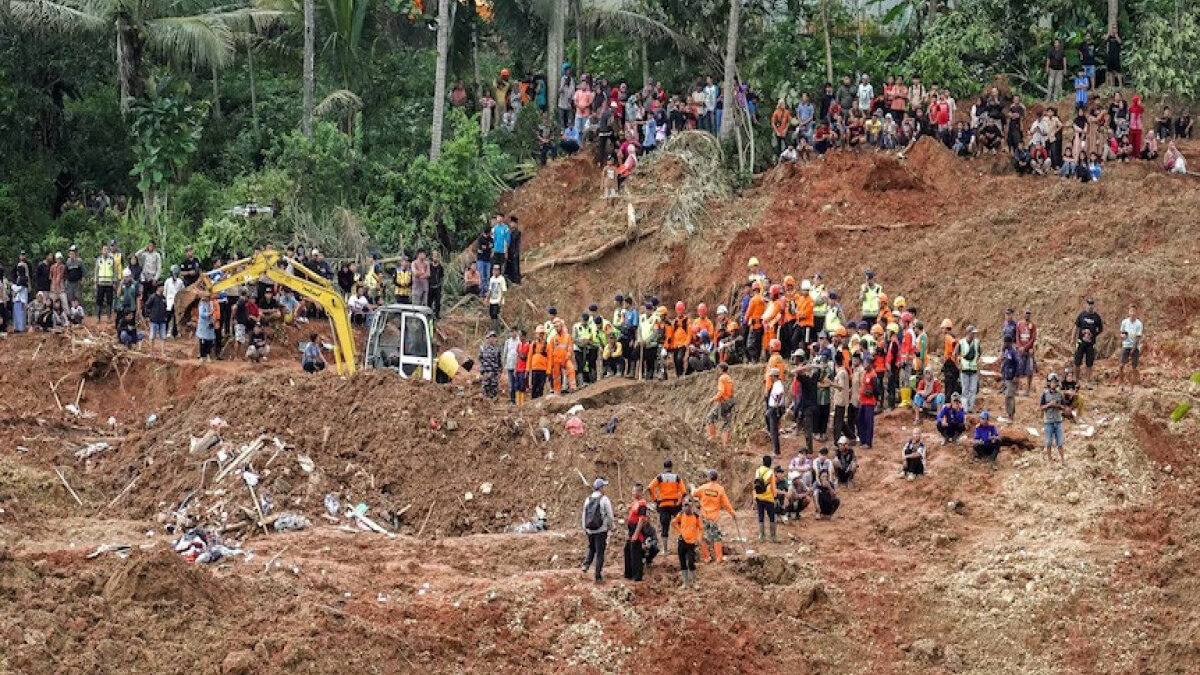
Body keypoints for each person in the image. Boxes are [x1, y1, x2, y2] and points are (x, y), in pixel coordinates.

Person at [693, 469, 736, 563]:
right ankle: (718, 558)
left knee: (703, 537)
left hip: (704, 516)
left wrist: (692, 488)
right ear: (717, 478)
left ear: (709, 477)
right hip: (714, 518)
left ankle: (706, 558)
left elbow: (694, 494)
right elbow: (726, 504)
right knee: (716, 537)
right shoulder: (720, 489)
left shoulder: (704, 488)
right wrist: (732, 513)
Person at [647, 459, 687, 552]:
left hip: (663, 505)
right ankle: (684, 546)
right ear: (671, 467)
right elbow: (684, 492)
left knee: (664, 527)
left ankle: (665, 550)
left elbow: (650, 488)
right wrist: (680, 502)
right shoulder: (676, 477)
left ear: (664, 467)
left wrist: (655, 500)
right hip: (675, 505)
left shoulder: (660, 477)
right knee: (680, 525)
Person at [581, 478, 614, 583]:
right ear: (600, 488)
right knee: (600, 552)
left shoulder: (588, 499)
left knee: (591, 547)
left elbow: (584, 515)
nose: (605, 488)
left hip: (590, 529)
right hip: (601, 529)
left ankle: (586, 564)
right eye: (604, 486)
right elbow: (610, 515)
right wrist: (611, 526)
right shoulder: (604, 499)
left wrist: (585, 528)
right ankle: (597, 575)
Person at [671, 498, 703, 589]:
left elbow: (701, 528)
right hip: (682, 541)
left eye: (688, 505)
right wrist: (680, 531)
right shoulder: (681, 514)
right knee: (682, 562)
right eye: (684, 505)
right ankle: (685, 583)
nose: (686, 508)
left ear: (691, 506)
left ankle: (695, 582)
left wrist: (698, 539)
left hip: (691, 542)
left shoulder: (696, 516)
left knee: (691, 562)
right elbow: (673, 523)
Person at [623, 484, 650, 582]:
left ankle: (637, 576)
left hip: (637, 532)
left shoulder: (642, 504)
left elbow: (642, 519)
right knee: (627, 550)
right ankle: (628, 573)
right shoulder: (635, 502)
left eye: (634, 491)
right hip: (631, 530)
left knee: (636, 553)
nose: (633, 493)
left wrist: (636, 534)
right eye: (633, 491)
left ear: (639, 492)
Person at [1073, 297, 1103, 388]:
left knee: (1089, 363)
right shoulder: (1082, 315)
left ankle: (1087, 382)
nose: (1090, 306)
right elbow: (1076, 327)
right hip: (1081, 342)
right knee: (1077, 362)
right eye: (1089, 304)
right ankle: (1077, 381)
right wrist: (1072, 338)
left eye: (1092, 304)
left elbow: (1101, 329)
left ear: (1094, 305)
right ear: (1086, 305)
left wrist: (1094, 335)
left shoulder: (1097, 317)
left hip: (1091, 344)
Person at [705, 363, 735, 446]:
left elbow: (721, 391)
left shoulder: (721, 378)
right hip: (731, 400)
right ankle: (725, 444)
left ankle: (712, 437)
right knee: (727, 422)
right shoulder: (729, 378)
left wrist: (713, 399)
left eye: (718, 368)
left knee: (710, 417)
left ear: (721, 369)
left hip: (724, 401)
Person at [1041, 373, 1067, 464]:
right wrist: (1049, 405)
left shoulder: (1060, 394)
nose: (1053, 384)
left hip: (1058, 420)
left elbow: (1064, 407)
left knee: (1060, 442)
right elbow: (1041, 407)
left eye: (1055, 382)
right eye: (1052, 382)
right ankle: (1050, 460)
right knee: (1048, 442)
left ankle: (1063, 459)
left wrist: (1057, 405)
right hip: (1048, 421)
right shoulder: (1044, 394)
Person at [1117, 304, 1143, 389]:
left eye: (1134, 311)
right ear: (1128, 312)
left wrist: (1133, 348)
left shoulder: (1139, 324)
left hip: (1135, 346)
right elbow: (1122, 333)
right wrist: (1122, 336)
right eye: (1130, 311)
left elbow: (1138, 337)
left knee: (1133, 367)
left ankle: (1132, 387)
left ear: (1136, 313)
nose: (1132, 313)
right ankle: (1121, 384)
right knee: (1121, 365)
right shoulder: (1124, 322)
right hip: (1126, 345)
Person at [753, 455, 778, 542]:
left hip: (759, 497)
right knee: (771, 516)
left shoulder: (758, 471)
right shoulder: (771, 473)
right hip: (768, 497)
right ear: (770, 463)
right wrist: (775, 498)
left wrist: (754, 497)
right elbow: (773, 487)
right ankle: (773, 536)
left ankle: (761, 536)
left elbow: (755, 484)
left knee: (761, 516)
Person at [857, 361, 878, 449]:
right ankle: (863, 440)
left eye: (866, 363)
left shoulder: (873, 375)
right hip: (863, 401)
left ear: (870, 364)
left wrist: (869, 394)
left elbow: (875, 390)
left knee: (869, 422)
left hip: (869, 402)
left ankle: (868, 443)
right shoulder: (865, 373)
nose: (864, 365)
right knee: (859, 420)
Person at [765, 367, 786, 456]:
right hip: (772, 409)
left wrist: (777, 402)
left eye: (771, 376)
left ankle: (776, 452)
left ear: (774, 376)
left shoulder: (778, 384)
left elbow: (780, 393)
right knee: (766, 416)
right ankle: (771, 431)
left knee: (774, 430)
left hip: (775, 408)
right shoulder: (776, 384)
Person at [144, 282, 169, 357]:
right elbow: (146, 306)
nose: (163, 288)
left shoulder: (163, 298)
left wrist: (165, 316)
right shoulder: (153, 297)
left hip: (162, 320)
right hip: (154, 320)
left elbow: (165, 307)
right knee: (152, 336)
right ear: (158, 288)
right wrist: (148, 316)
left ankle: (162, 352)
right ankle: (151, 352)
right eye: (162, 286)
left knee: (163, 337)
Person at [1000, 335, 1020, 421]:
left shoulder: (1013, 352)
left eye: (1004, 342)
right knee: (1008, 396)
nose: (1003, 344)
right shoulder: (1006, 351)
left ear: (1008, 343)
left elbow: (1019, 364)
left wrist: (1016, 376)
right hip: (1007, 377)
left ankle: (1011, 416)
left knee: (1009, 396)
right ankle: (1009, 414)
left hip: (1012, 377)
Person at [478, 330, 502, 399]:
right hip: (486, 373)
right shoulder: (483, 348)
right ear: (488, 338)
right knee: (485, 392)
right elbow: (481, 361)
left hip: (494, 374)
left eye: (494, 337)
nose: (493, 339)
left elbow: (499, 361)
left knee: (493, 392)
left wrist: (500, 371)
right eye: (491, 337)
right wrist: (483, 372)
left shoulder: (497, 349)